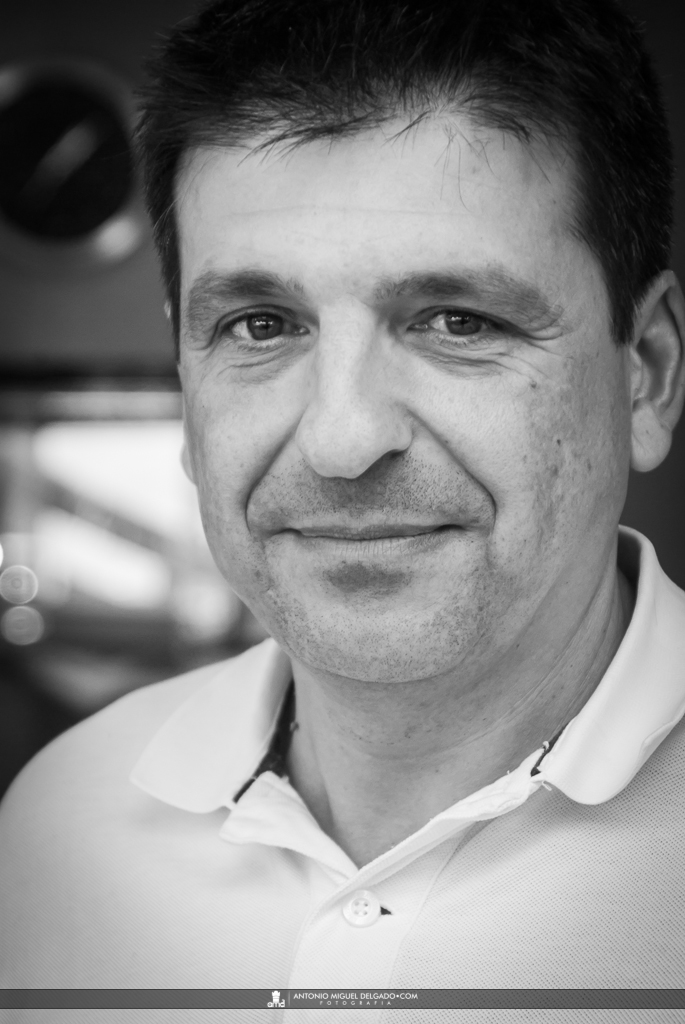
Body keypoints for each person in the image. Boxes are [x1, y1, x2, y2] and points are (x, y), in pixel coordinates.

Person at [1, 0, 684, 1017]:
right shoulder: (57, 827)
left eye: (457, 321)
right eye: (260, 325)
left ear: (645, 376)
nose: (341, 439)